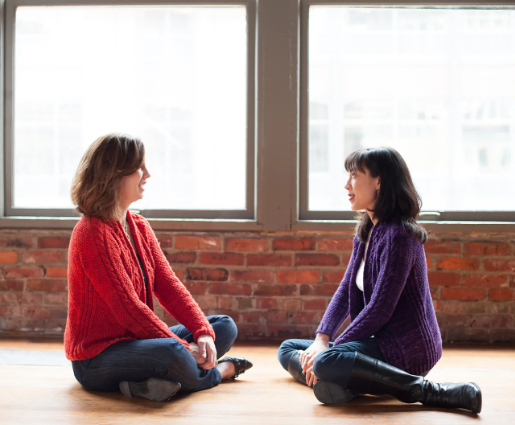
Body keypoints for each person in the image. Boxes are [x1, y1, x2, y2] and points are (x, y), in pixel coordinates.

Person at [278, 147, 482, 413]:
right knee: (289, 348)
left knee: (326, 360)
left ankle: (429, 391)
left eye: (354, 175)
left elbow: (379, 309)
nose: (346, 184)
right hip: (377, 341)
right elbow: (345, 289)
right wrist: (322, 338)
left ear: (379, 181)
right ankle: (343, 383)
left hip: (409, 349)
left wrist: (330, 352)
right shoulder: (367, 231)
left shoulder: (400, 236)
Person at [65, 133, 252, 402]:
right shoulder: (91, 233)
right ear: (116, 175)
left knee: (222, 327)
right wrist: (182, 348)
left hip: (137, 341)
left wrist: (201, 333)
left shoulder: (138, 225)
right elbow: (129, 310)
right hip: (96, 358)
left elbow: (168, 285)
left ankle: (144, 383)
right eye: (140, 167)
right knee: (172, 353)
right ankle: (218, 373)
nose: (148, 174)